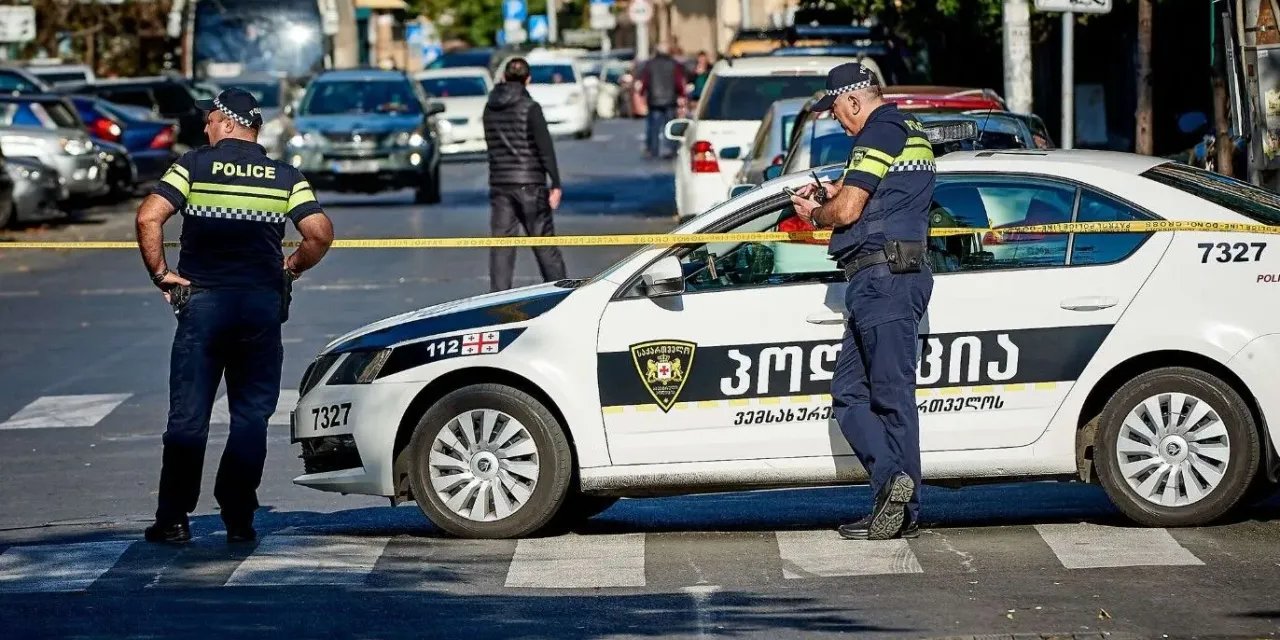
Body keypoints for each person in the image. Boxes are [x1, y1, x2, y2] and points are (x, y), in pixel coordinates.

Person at [135, 87, 335, 544]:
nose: (204, 126)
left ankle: (173, 519)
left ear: (227, 122)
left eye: (209, 119)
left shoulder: (192, 166)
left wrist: (161, 274)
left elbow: (149, 218)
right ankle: (239, 515)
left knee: (188, 418)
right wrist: (292, 268)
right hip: (261, 309)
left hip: (204, 306)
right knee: (250, 416)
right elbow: (319, 233)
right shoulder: (286, 176)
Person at [788, 62, 935, 541]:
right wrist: (840, 192)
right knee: (851, 393)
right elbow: (881, 199)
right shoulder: (906, 130)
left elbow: (848, 211)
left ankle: (900, 498)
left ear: (854, 100)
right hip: (884, 277)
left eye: (835, 108)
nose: (836, 118)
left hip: (884, 278)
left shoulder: (879, 131)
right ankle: (894, 494)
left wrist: (816, 212)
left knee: (890, 397)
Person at [482, 57, 568, 292]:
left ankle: (497, 298)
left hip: (500, 184)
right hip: (530, 184)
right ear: (528, 80)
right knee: (543, 244)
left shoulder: (489, 108)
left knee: (502, 246)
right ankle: (560, 292)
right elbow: (545, 148)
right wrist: (556, 183)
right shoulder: (530, 108)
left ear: (503, 78)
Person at [639, 43, 686, 159]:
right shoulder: (674, 65)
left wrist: (642, 93)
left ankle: (653, 149)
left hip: (654, 101)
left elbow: (645, 81)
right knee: (670, 127)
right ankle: (671, 149)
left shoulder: (650, 65)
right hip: (670, 100)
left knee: (653, 127)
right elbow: (679, 82)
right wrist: (682, 94)